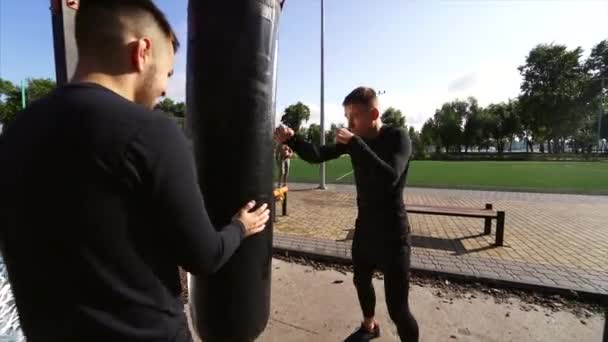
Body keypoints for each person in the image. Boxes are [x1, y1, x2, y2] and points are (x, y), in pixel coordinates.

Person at [0, 1, 269, 341]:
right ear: (142, 52)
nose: (165, 89)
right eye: (168, 73)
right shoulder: (149, 131)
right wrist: (240, 227)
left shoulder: (16, 131)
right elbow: (204, 256)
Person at [275, 86, 419, 342]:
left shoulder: (398, 137)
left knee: (398, 309)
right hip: (364, 230)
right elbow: (317, 155)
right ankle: (369, 326)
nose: (348, 123)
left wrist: (355, 144)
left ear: (374, 113)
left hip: (393, 235)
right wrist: (292, 139)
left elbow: (390, 176)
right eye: (346, 117)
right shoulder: (355, 141)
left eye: (353, 117)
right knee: (361, 281)